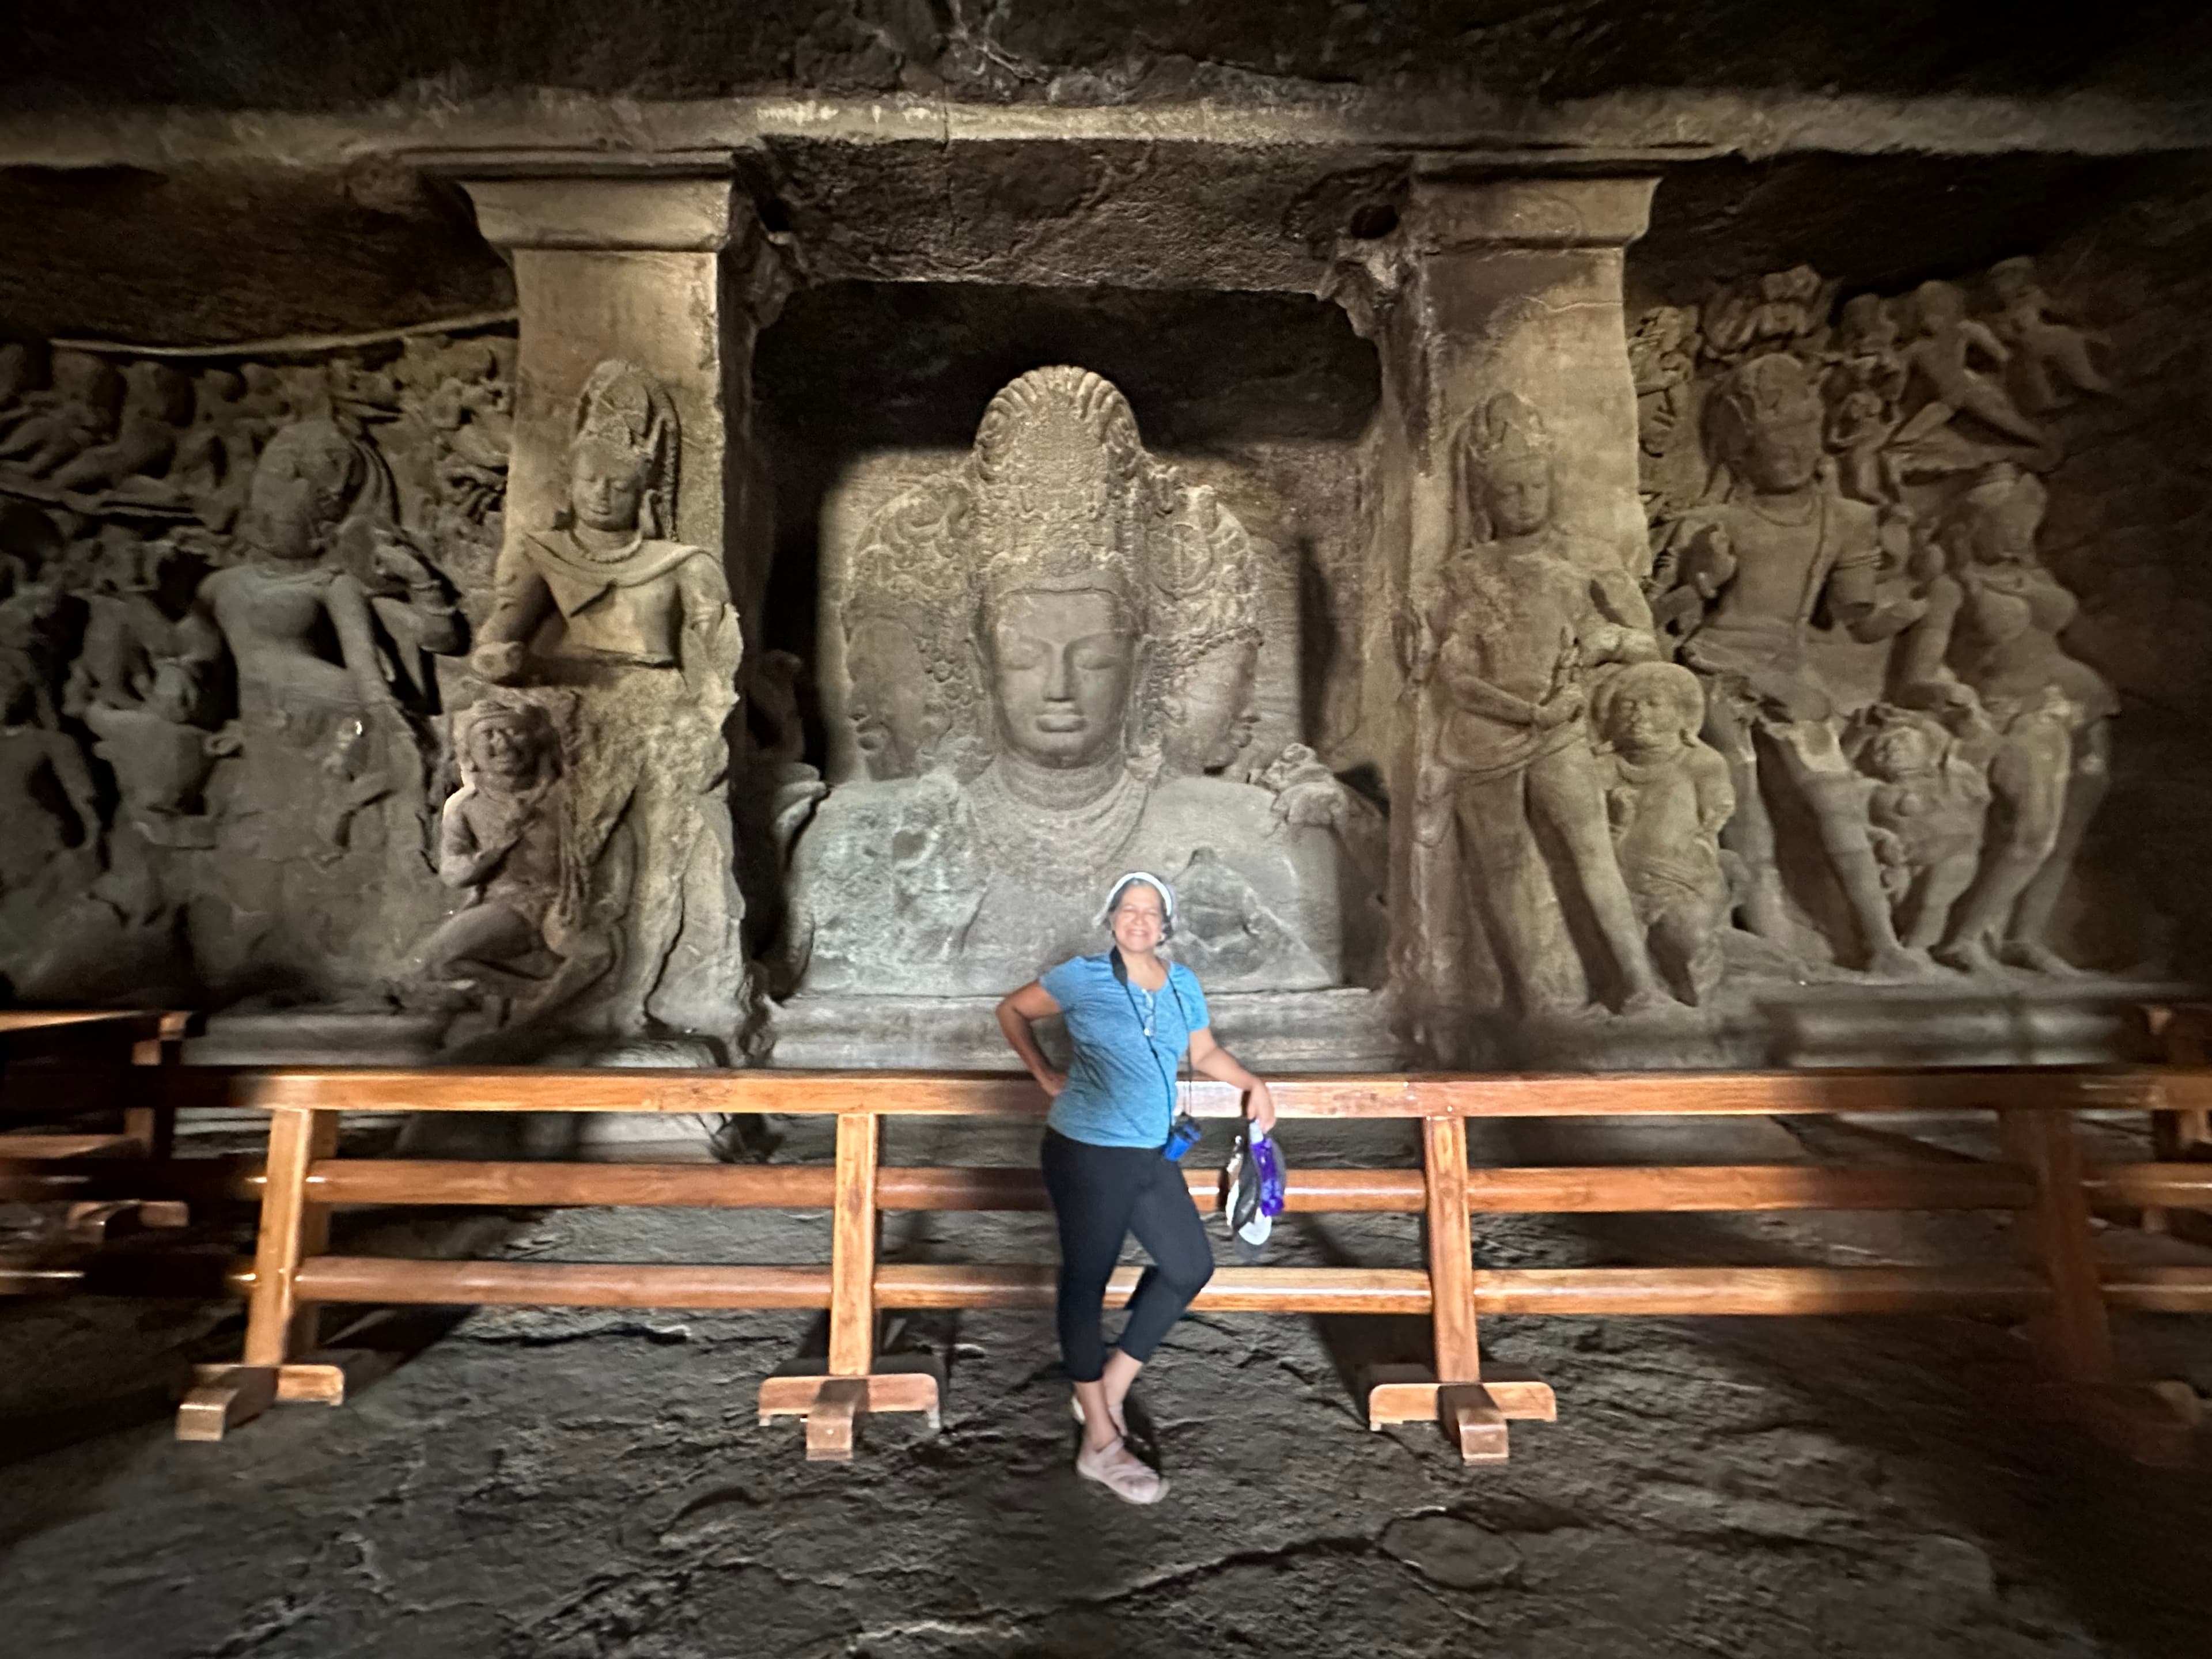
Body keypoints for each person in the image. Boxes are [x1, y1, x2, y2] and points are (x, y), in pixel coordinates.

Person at [995, 871, 1277, 1506]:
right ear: (1113, 918)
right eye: (1129, 909)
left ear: (1165, 925)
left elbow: (1203, 1053)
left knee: (1188, 1265)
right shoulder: (1083, 976)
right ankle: (1099, 1442)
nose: (1139, 920)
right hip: (1087, 1151)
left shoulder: (1181, 983)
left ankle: (1110, 1387)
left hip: (1148, 1152)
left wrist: (1252, 1082)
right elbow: (1011, 1010)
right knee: (1086, 1283)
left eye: (1152, 912)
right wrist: (1043, 1071)